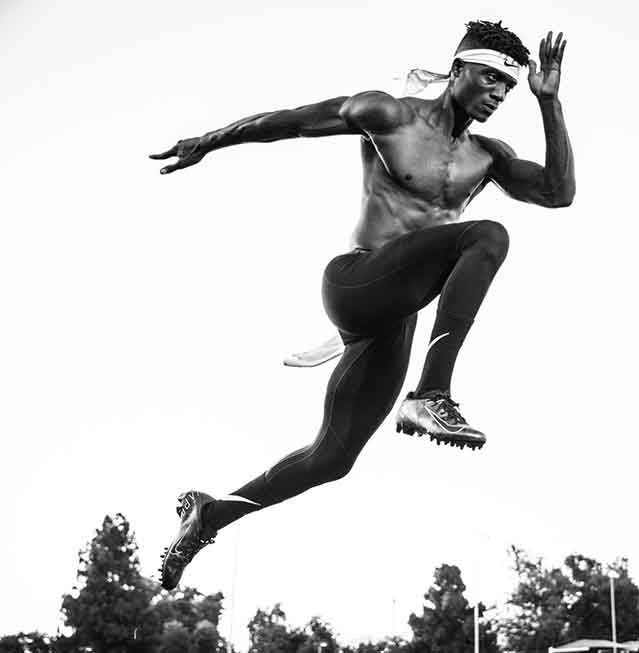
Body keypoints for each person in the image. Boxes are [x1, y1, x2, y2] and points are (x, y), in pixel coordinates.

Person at [151, 20, 574, 590]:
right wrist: (207, 140)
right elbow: (286, 123)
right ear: (458, 70)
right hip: (355, 284)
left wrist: (549, 104)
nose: (499, 93)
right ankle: (431, 394)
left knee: (333, 458)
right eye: (491, 77)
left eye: (509, 87)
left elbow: (558, 192)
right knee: (488, 235)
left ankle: (208, 515)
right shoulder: (390, 115)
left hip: (395, 312)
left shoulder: (488, 157)